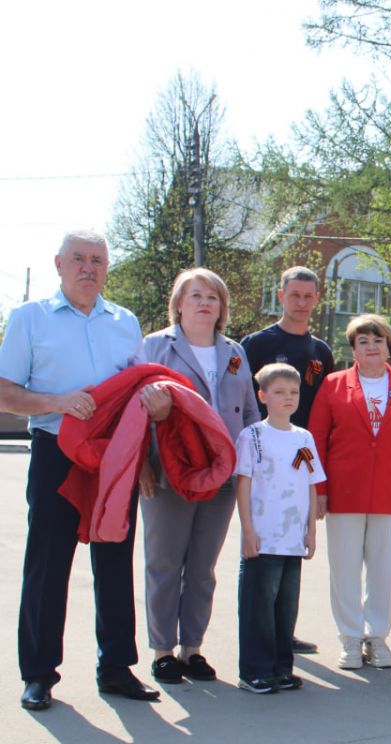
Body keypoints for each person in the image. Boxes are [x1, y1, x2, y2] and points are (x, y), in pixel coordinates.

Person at [0, 230, 170, 710]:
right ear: (59, 264)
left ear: (107, 267)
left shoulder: (125, 321)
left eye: (98, 259)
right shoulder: (29, 318)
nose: (88, 268)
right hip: (55, 450)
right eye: (78, 259)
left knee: (115, 561)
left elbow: (141, 385)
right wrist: (57, 401)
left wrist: (156, 405)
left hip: (116, 455)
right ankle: (38, 674)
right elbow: (4, 391)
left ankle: (116, 668)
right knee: (48, 564)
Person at [138, 268, 259, 684]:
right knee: (165, 562)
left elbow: (249, 412)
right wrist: (140, 465)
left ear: (222, 307)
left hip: (222, 477)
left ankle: (192, 648)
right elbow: (133, 412)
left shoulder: (235, 352)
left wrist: (250, 464)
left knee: (203, 566)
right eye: (195, 295)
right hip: (168, 473)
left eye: (213, 296)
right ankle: (162, 650)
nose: (205, 303)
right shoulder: (156, 346)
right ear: (178, 303)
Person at [309, 314, 391, 669]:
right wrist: (318, 489)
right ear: (353, 349)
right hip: (343, 490)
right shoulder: (334, 385)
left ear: (388, 347)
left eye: (377, 340)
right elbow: (316, 439)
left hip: (390, 491)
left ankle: (376, 637)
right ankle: (350, 638)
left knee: (383, 569)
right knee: (345, 568)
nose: (371, 347)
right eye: (362, 341)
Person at [240, 266, 334, 656]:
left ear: (317, 299)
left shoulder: (321, 352)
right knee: (263, 552)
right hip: (263, 463)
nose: (301, 303)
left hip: (301, 461)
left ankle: (284, 634)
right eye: (294, 295)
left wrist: (320, 487)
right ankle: (261, 645)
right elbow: (244, 401)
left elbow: (326, 415)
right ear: (280, 296)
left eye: (308, 296)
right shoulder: (256, 344)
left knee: (293, 552)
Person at [234, 363, 325, 693]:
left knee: (285, 606)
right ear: (262, 396)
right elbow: (243, 483)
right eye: (279, 392)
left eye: (294, 392)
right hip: (263, 536)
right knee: (259, 604)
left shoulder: (303, 437)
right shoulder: (253, 436)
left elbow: (311, 482)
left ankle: (280, 668)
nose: (288, 398)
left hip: (292, 539)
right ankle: (254, 670)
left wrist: (311, 531)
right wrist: (247, 529)